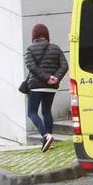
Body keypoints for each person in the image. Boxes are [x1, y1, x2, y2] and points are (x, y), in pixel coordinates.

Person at [25, 23, 68, 153]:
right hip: (51, 87)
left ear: (34, 36)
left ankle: (46, 135)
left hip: (36, 86)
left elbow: (32, 67)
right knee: (46, 111)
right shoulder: (56, 48)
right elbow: (64, 66)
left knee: (31, 112)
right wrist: (55, 78)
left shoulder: (30, 50)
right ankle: (49, 143)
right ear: (47, 35)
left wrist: (45, 78)